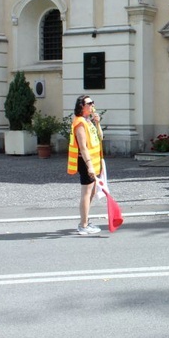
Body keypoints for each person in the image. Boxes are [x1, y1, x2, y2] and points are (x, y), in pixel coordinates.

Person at [67, 95, 104, 235]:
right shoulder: (80, 123)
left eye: (93, 102)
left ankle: (85, 221)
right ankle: (83, 224)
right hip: (86, 161)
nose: (92, 104)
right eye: (89, 103)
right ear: (82, 106)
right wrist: (89, 166)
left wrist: (98, 123)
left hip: (93, 161)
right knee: (86, 192)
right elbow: (83, 147)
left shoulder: (88, 121)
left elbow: (100, 137)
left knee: (92, 192)